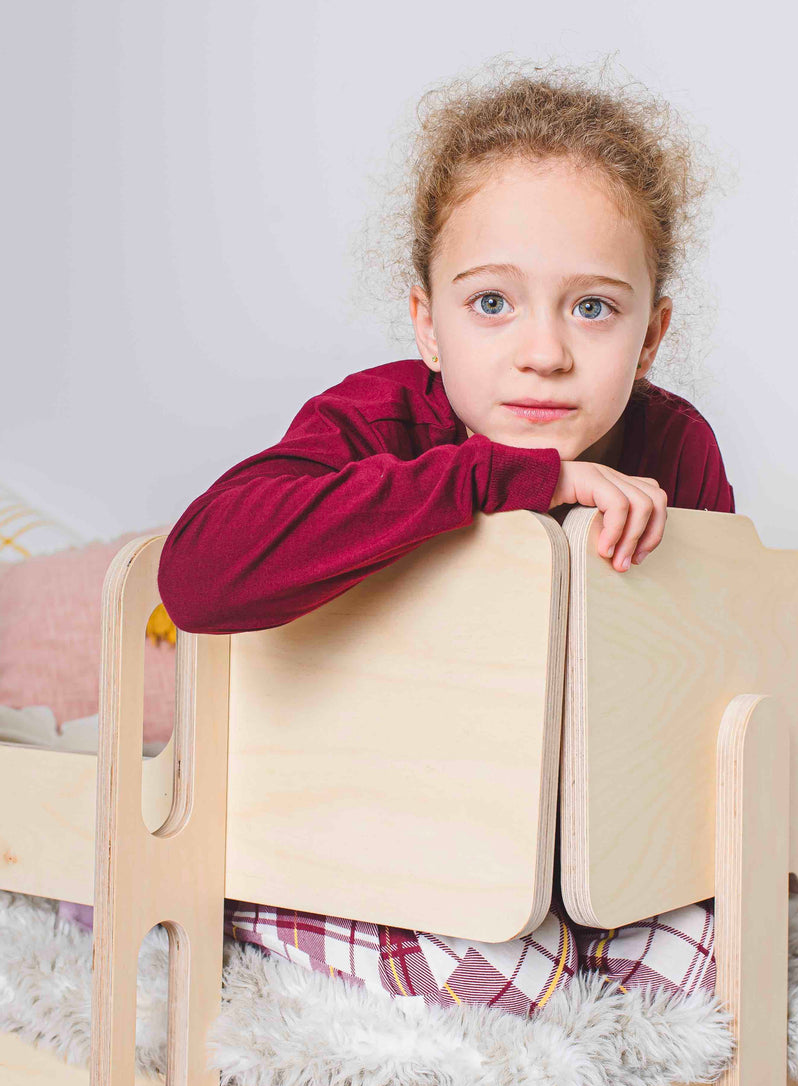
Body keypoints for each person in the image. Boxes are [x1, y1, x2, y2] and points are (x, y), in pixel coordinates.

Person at [155, 62, 732, 1016]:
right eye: (492, 304)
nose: (543, 352)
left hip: (559, 832)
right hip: (369, 806)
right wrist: (514, 477)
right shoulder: (378, 420)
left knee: (721, 948)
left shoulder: (671, 446)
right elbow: (200, 576)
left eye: (592, 307)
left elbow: (711, 663)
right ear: (427, 323)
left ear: (652, 334)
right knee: (483, 958)